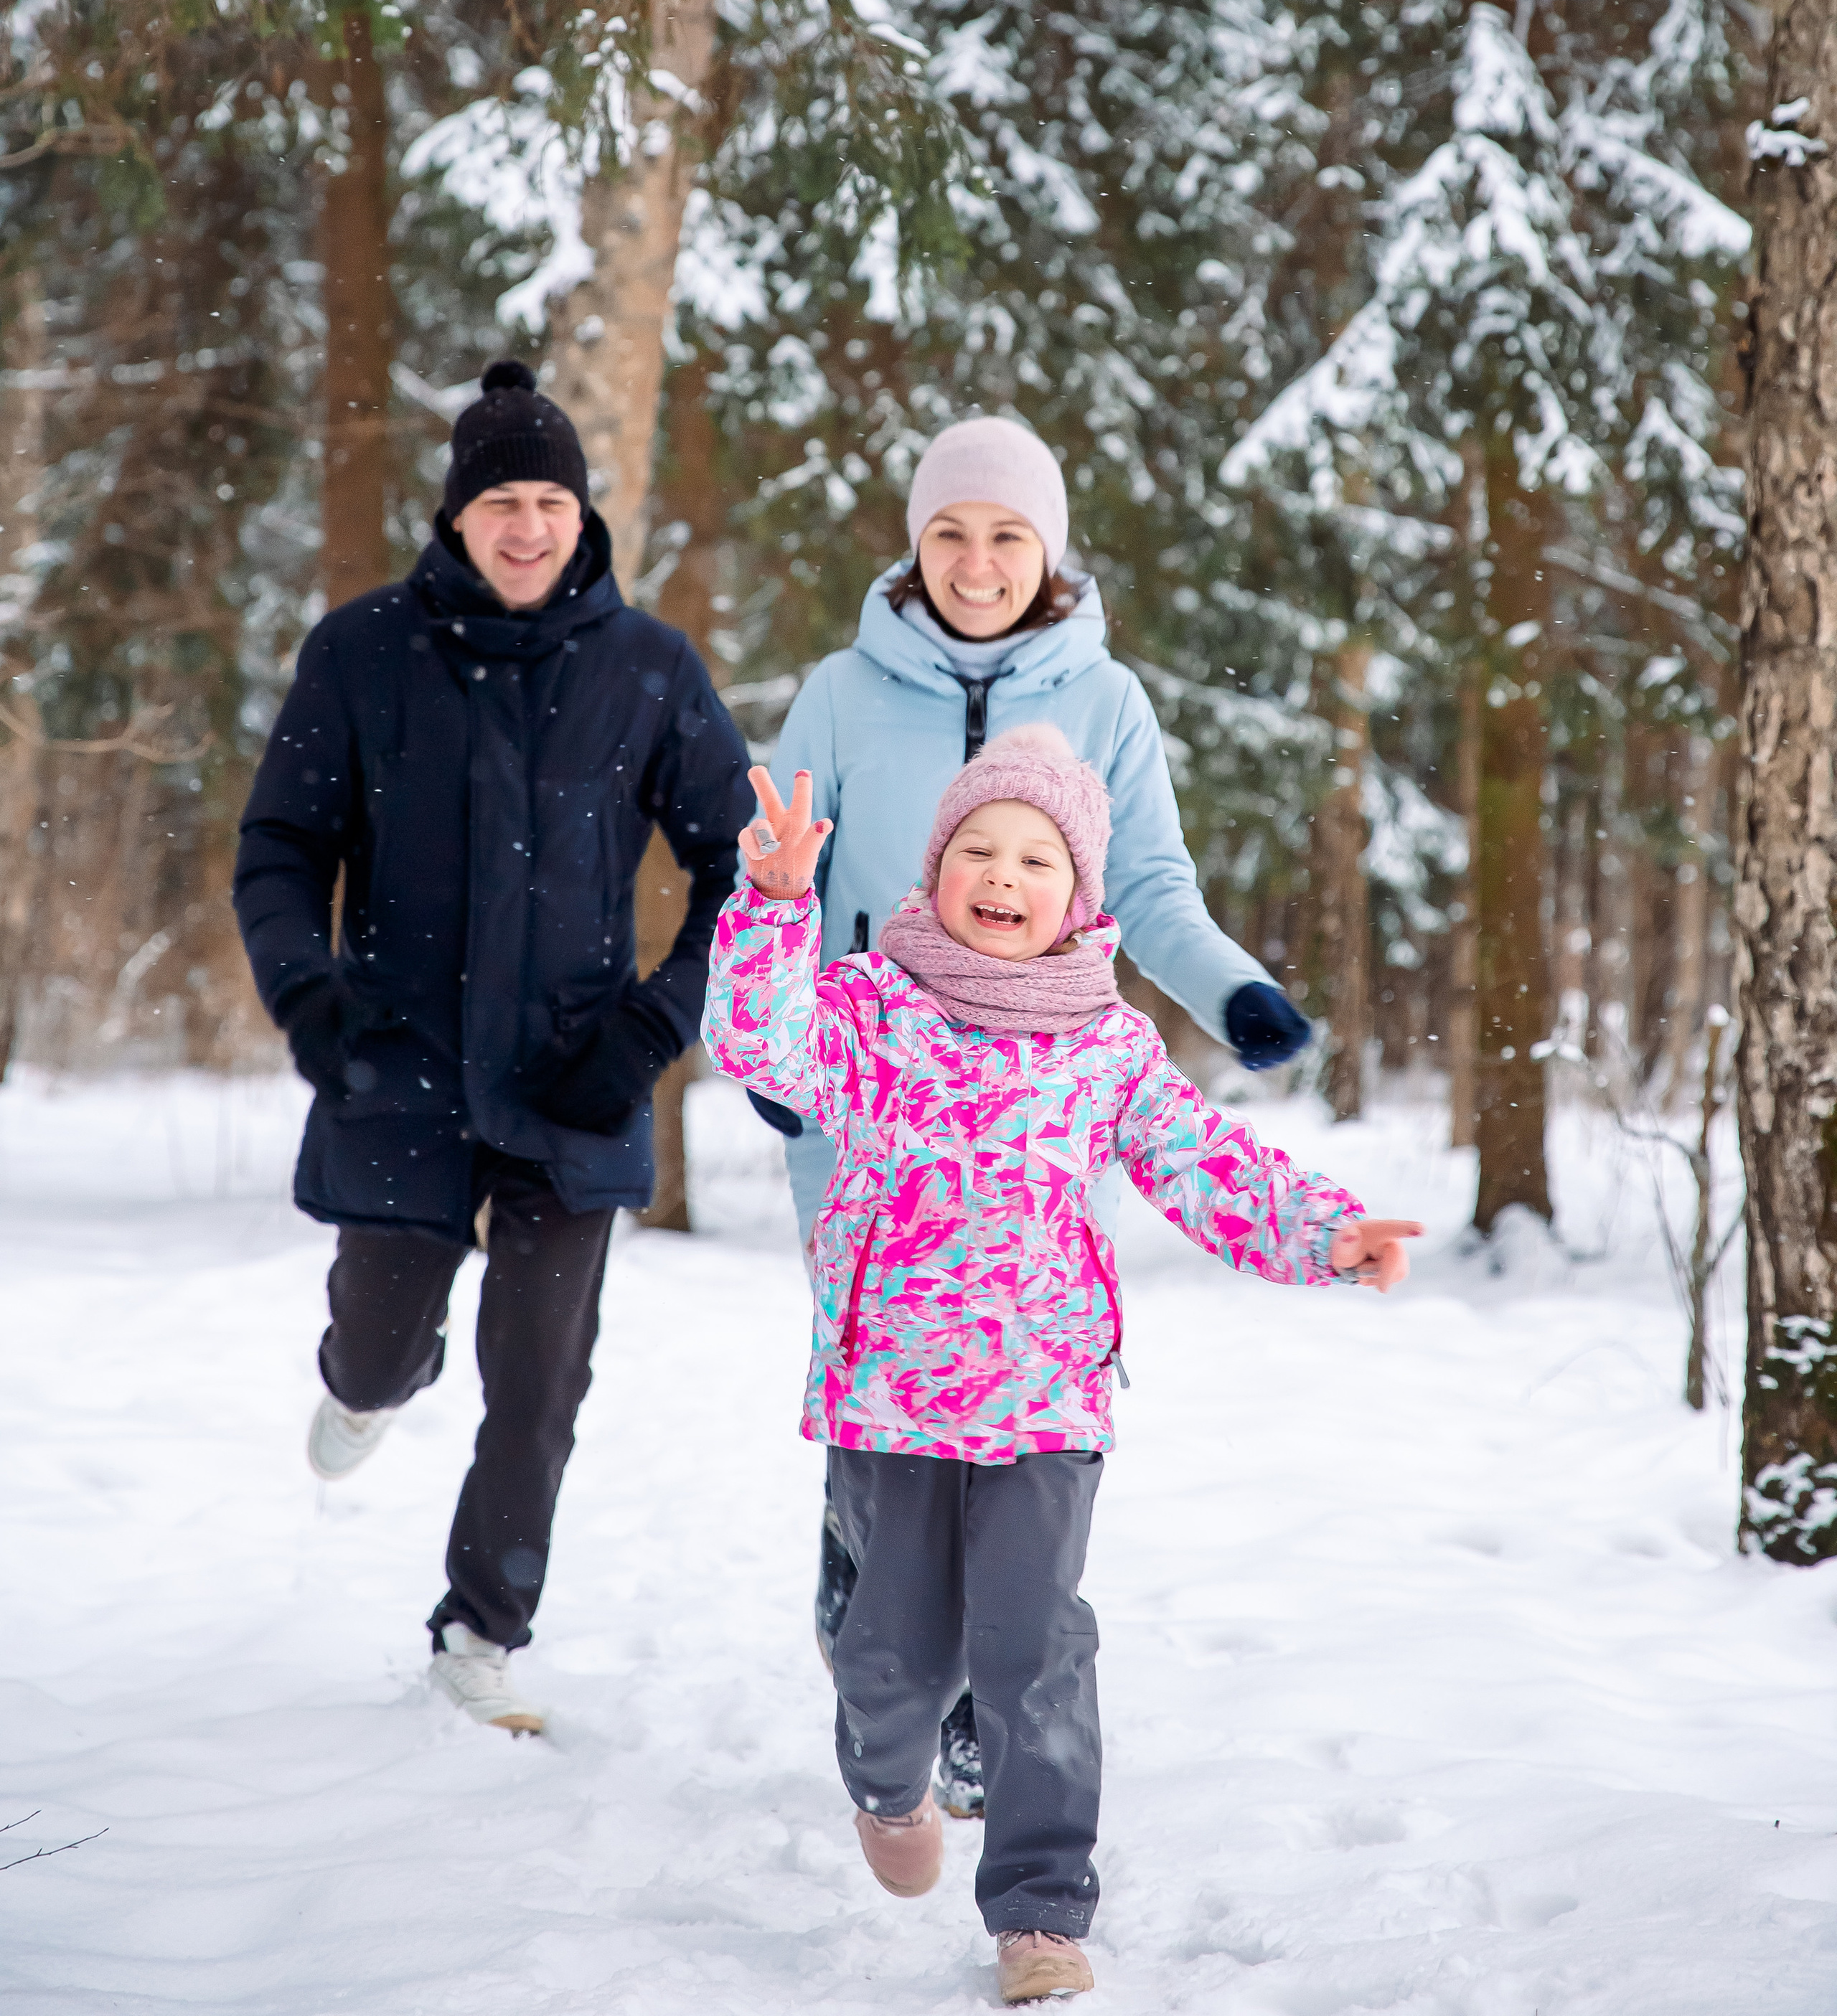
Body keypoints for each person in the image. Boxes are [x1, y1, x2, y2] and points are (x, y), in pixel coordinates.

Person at [706, 740, 1419, 2005]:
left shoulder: (1109, 1046)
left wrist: (1327, 1232)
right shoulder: (870, 1006)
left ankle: (1039, 1911)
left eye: (1037, 859)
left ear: (1080, 893)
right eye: (978, 850)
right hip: (891, 1398)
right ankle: (888, 1785)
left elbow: (1208, 1164)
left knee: (1035, 1649)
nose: (1003, 876)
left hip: (1047, 1402)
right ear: (937, 868)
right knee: (892, 1661)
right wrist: (772, 905)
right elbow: (764, 1047)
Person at [762, 413, 1312, 1813]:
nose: (976, 561)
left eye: (1007, 535)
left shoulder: (1106, 702)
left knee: (1013, 1374)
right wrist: (783, 1045)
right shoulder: (840, 691)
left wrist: (1231, 992)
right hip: (866, 1095)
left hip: (1038, 1099)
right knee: (881, 1354)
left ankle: (968, 1703)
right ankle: (865, 1570)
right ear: (914, 543)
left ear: (1047, 551)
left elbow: (1153, 889)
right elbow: (773, 862)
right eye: (949, 532)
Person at [235, 359, 751, 1733]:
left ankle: (480, 1629)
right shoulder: (362, 653)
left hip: (575, 1076)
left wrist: (653, 1026)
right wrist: (308, 997)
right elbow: (280, 846)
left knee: (538, 1379)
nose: (529, 529)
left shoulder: (649, 669)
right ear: (456, 518)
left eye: (551, 504)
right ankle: (370, 1383)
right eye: (502, 503)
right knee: (378, 1347)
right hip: (394, 1062)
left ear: (584, 517)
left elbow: (750, 872)